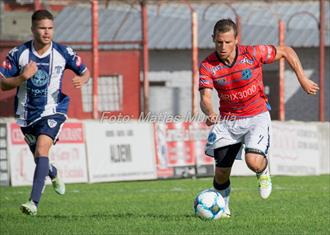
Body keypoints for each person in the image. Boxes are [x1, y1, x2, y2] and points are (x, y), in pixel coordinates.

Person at [199, 19, 319, 218]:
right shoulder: (207, 66)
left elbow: (286, 51)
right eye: (219, 42)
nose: (223, 47)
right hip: (228, 122)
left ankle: (263, 172)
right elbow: (205, 97)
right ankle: (224, 210)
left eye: (228, 42)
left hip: (256, 116)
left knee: (253, 161)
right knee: (221, 172)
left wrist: (302, 78)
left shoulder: (253, 54)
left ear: (236, 40)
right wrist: (210, 112)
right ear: (213, 39)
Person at [0, 10, 90, 216]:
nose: (47, 32)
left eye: (50, 28)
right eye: (42, 28)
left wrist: (82, 80)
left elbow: (85, 72)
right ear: (33, 30)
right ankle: (53, 173)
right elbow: (4, 84)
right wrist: (22, 77)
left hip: (53, 109)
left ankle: (33, 203)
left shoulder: (63, 52)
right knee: (39, 157)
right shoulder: (18, 54)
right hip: (25, 113)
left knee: (42, 150)